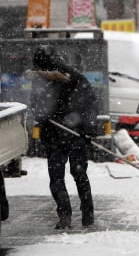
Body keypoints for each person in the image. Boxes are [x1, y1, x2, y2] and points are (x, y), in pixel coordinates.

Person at [25, 45, 97, 229]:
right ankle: (67, 216)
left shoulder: (72, 77)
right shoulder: (40, 79)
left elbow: (89, 102)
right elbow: (35, 104)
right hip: (54, 136)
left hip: (74, 134)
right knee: (60, 177)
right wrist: (43, 116)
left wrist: (87, 130)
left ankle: (85, 215)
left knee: (76, 173)